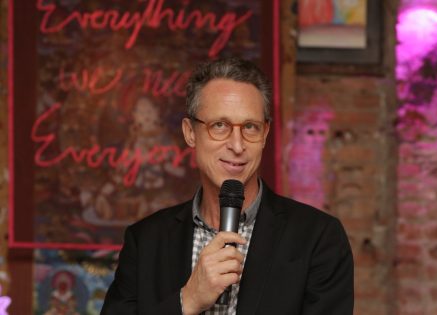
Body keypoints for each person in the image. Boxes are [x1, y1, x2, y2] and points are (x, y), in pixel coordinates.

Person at [101, 57, 354, 314]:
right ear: (190, 132)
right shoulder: (146, 241)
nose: (236, 145)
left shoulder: (317, 238)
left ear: (265, 134)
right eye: (219, 125)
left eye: (250, 127)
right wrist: (187, 300)